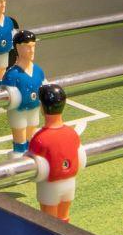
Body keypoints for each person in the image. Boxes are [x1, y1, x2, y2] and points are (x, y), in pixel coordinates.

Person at [26, 83, 84, 221]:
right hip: (69, 183)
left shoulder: (39, 139)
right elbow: (80, 158)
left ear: (42, 107)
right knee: (64, 218)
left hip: (49, 186)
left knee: (49, 222)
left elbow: (32, 164)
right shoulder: (72, 134)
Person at [1, 30, 46, 153]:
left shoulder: (38, 70)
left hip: (34, 109)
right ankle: (19, 157)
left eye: (33, 46)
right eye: (28, 47)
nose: (32, 50)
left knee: (32, 138)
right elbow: (7, 98)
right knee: (20, 140)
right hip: (18, 112)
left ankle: (31, 155)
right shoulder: (11, 75)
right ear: (18, 48)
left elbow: (44, 87)